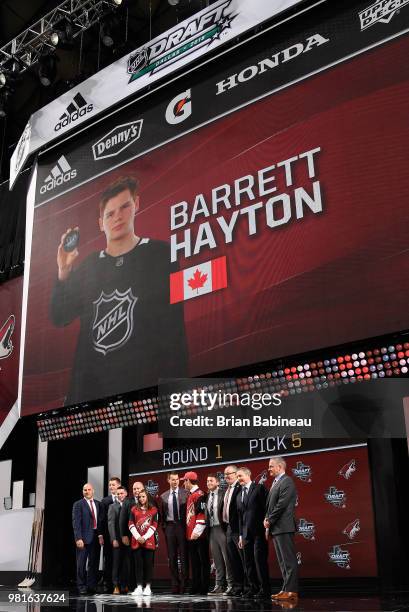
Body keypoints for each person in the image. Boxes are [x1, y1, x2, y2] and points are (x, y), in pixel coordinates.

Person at [49, 175, 188, 406]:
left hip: (143, 396)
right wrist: (64, 271)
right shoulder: (89, 266)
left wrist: (176, 396)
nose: (118, 217)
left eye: (125, 207)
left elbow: (175, 333)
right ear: (100, 223)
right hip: (90, 399)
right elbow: (59, 316)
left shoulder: (161, 254)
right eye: (110, 214)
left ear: (137, 205)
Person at [264, 456, 298, 604]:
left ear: (280, 467)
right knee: (283, 562)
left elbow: (281, 505)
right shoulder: (276, 482)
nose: (269, 468)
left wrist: (269, 519)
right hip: (276, 528)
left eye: (271, 466)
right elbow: (271, 506)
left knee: (288, 561)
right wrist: (267, 519)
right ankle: (285, 589)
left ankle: (292, 591)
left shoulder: (287, 481)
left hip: (283, 527)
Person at [236, 467, 270, 599]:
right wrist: (240, 535)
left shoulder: (259, 488)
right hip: (245, 535)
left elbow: (267, 508)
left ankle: (264, 589)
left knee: (259, 561)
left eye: (240, 476)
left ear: (248, 475)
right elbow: (240, 517)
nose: (239, 479)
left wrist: (267, 527)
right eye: (237, 477)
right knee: (248, 562)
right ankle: (253, 588)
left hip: (259, 532)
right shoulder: (239, 495)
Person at [158, 472, 188, 594]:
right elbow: (162, 515)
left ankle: (184, 584)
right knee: (172, 557)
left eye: (177, 479)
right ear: (168, 480)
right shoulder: (163, 496)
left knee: (184, 556)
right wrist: (166, 528)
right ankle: (175, 584)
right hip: (170, 527)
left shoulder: (186, 493)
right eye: (172, 480)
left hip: (182, 526)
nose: (175, 482)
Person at [181, 471, 210, 595]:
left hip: (199, 535)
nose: (183, 483)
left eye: (184, 481)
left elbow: (202, 514)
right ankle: (196, 586)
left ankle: (204, 587)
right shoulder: (191, 494)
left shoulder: (199, 494)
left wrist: (197, 531)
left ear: (188, 481)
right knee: (195, 563)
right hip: (191, 535)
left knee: (203, 562)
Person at [72, 483, 104, 595]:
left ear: (93, 491)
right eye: (85, 490)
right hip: (83, 538)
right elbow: (76, 523)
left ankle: (91, 586)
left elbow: (100, 522)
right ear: (83, 492)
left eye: (89, 489)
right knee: (81, 563)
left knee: (94, 563)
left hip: (96, 537)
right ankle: (81, 586)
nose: (87, 491)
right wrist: (78, 538)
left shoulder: (98, 504)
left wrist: (100, 535)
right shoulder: (78, 504)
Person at [205, 473, 232, 595]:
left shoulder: (224, 493)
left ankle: (230, 584)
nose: (209, 483)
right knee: (217, 559)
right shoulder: (208, 496)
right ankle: (219, 585)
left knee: (227, 559)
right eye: (207, 481)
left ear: (217, 482)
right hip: (212, 530)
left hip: (222, 529)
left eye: (211, 481)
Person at [129, 490, 159, 596]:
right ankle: (139, 587)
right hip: (136, 541)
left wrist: (145, 537)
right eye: (140, 497)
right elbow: (131, 524)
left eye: (143, 496)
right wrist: (138, 537)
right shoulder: (133, 509)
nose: (141, 498)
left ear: (147, 497)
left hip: (149, 541)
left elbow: (154, 525)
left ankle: (148, 587)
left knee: (148, 565)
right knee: (138, 565)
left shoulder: (154, 510)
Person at [222, 465, 245, 596]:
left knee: (242, 559)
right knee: (233, 559)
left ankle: (246, 586)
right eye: (225, 475)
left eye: (229, 474)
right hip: (229, 528)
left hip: (238, 528)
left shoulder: (240, 487)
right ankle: (237, 587)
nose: (226, 477)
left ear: (236, 474)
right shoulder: (227, 489)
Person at [101, 476, 121, 593]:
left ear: (119, 485)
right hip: (108, 536)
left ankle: (119, 584)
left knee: (120, 560)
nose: (111, 487)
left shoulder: (124, 499)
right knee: (108, 560)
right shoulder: (105, 501)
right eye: (110, 485)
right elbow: (102, 520)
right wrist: (101, 535)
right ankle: (108, 584)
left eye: (113, 485)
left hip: (121, 536)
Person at [108, 485, 129, 594]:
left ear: (126, 494)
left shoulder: (129, 505)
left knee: (126, 563)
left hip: (127, 540)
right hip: (117, 539)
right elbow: (110, 524)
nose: (120, 495)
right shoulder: (112, 507)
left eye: (122, 493)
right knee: (116, 563)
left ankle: (124, 585)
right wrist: (113, 539)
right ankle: (115, 585)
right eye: (118, 493)